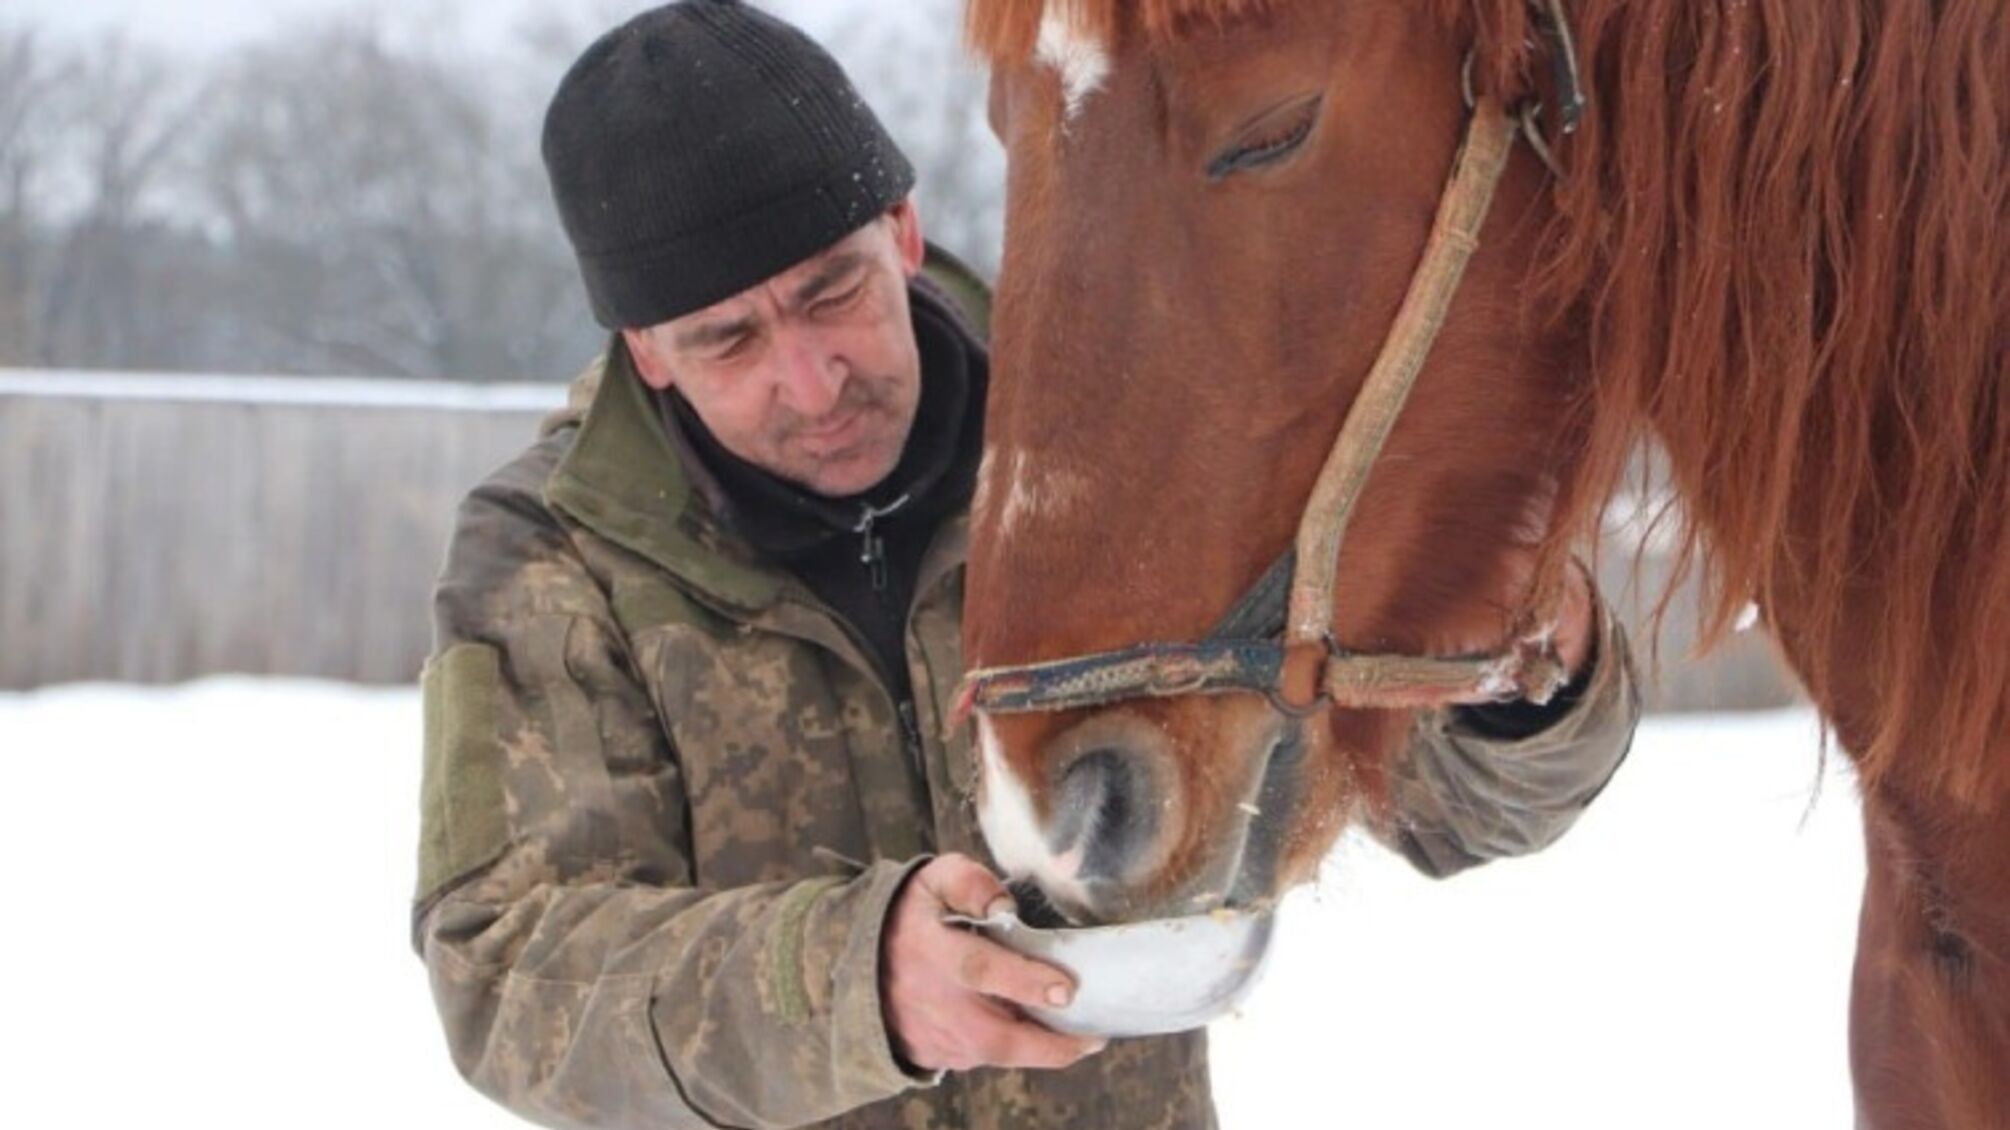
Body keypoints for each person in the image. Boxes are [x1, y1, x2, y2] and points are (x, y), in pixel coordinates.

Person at [410, 3, 1643, 1128]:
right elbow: (508, 972)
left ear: (901, 231)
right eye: (728, 339)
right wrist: (851, 982)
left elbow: (1442, 811)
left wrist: (1519, 680)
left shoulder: (1123, 456)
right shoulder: (555, 555)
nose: (812, 380)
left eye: (833, 291)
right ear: (648, 352)